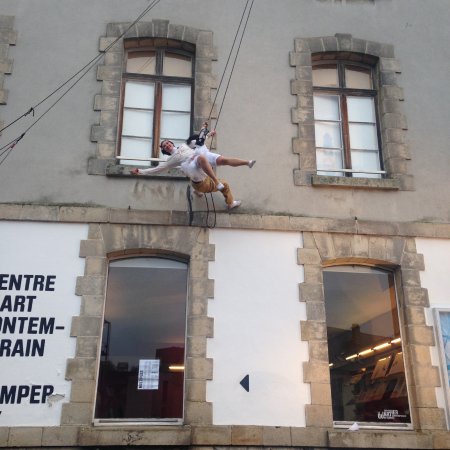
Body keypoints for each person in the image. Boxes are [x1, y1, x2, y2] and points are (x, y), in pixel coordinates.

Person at [130, 137, 254, 210]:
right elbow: (157, 169)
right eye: (164, 146)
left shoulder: (184, 146)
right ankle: (230, 203)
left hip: (200, 174)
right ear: (164, 150)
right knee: (224, 184)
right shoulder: (171, 160)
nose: (167, 145)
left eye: (167, 143)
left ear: (171, 143)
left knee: (213, 159)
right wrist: (140, 171)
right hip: (201, 181)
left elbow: (198, 142)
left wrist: (208, 134)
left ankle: (247, 162)